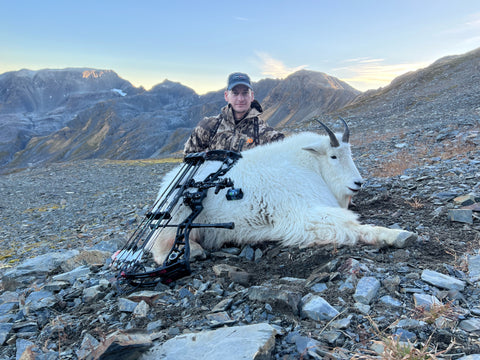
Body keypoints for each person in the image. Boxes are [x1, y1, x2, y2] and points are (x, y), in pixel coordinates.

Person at [183, 72, 284, 154]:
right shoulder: (208, 126)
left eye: (245, 93)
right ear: (226, 96)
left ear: (252, 96)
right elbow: (189, 158)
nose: (240, 99)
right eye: (235, 93)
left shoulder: (264, 133)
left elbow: (285, 151)